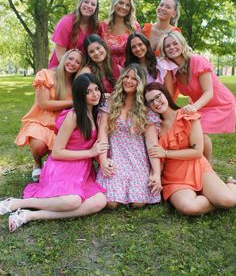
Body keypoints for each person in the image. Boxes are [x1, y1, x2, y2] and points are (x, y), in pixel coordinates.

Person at [0, 74, 108, 232]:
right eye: (88, 92)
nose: (95, 94)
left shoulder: (97, 114)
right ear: (79, 94)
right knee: (73, 201)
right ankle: (18, 203)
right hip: (62, 166)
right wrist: (90, 152)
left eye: (97, 89)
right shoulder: (73, 116)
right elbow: (57, 152)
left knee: (100, 201)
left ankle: (30, 215)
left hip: (82, 170)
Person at [144, 82, 236, 216]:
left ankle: (231, 186)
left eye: (158, 96)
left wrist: (165, 153)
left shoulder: (187, 114)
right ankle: (214, 196)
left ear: (166, 94)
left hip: (197, 166)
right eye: (150, 101)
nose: (156, 103)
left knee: (228, 200)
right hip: (174, 176)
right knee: (189, 207)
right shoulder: (155, 126)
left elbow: (197, 152)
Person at [159, 30, 236, 161]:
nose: (172, 47)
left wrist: (194, 107)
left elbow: (209, 92)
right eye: (167, 46)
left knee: (200, 131)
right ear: (164, 51)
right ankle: (199, 164)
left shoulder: (197, 60)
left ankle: (207, 167)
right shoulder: (173, 71)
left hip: (220, 103)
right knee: (189, 130)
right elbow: (170, 95)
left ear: (182, 45)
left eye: (175, 43)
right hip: (200, 105)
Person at [96, 64, 162, 209]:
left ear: (141, 83)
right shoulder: (111, 102)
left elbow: (152, 144)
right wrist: (103, 161)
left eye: (134, 79)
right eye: (126, 76)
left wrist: (156, 173)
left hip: (137, 160)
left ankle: (141, 181)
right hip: (116, 157)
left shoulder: (146, 108)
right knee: (111, 203)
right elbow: (103, 135)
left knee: (139, 203)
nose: (128, 81)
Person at [15, 49, 82, 181]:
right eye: (70, 58)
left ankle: (50, 163)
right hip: (39, 122)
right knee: (39, 146)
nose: (73, 63)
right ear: (64, 58)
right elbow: (44, 104)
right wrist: (72, 102)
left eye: (77, 62)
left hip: (61, 126)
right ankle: (37, 161)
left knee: (58, 173)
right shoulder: (46, 75)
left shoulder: (76, 85)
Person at [48, 0, 99, 68]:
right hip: (59, 68)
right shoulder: (65, 22)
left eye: (93, 4)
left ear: (96, 9)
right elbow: (60, 56)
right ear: (80, 3)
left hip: (79, 69)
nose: (89, 6)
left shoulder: (95, 26)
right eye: (86, 2)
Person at [125, 32, 178, 98]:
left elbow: (169, 94)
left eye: (140, 44)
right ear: (130, 50)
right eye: (133, 47)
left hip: (159, 105)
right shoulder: (129, 70)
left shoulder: (162, 64)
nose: (138, 49)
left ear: (146, 44)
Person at [99, 0, 141, 67]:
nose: (124, 7)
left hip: (129, 71)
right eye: (121, 3)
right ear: (114, 4)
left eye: (127, 5)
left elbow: (140, 51)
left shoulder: (134, 27)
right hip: (107, 70)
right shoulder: (103, 26)